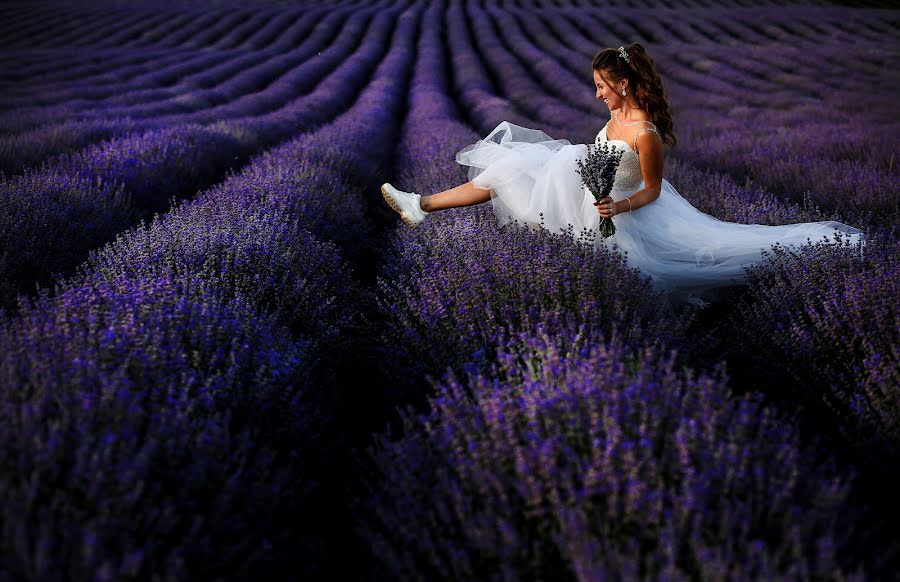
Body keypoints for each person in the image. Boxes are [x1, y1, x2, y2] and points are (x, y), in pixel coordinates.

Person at [381, 44, 865, 308]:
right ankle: (420, 205)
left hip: (609, 215)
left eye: (601, 87)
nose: (597, 96)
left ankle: (420, 205)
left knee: (517, 165)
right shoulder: (613, 123)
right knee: (510, 166)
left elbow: (651, 190)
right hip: (582, 204)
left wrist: (617, 206)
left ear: (624, 83)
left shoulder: (645, 133)